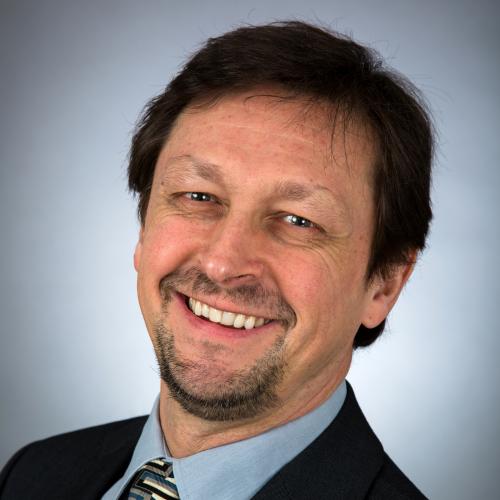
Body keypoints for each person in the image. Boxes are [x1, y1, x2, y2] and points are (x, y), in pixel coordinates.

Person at [0, 21, 433, 499]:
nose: (222, 264)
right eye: (199, 196)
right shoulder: (33, 475)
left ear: (384, 284)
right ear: (144, 228)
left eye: (298, 220)